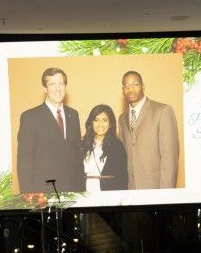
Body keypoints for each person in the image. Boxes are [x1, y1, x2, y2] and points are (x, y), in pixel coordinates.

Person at [15, 66, 84, 195]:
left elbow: (76, 157)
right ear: (44, 89)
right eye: (52, 84)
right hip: (43, 194)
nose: (57, 89)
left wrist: (81, 191)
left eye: (61, 83)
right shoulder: (30, 117)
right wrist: (29, 197)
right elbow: (24, 164)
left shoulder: (73, 115)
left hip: (72, 192)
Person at [117, 70, 179, 190]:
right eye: (126, 86)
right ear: (123, 89)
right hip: (130, 190)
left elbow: (170, 158)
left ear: (143, 86)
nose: (131, 89)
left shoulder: (163, 111)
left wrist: (166, 195)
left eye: (135, 84)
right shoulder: (122, 118)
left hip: (155, 189)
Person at [80, 104, 127, 194]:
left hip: (109, 196)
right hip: (86, 195)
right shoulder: (82, 145)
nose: (100, 124)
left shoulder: (117, 146)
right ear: (91, 123)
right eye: (96, 120)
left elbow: (123, 178)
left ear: (110, 124)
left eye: (104, 120)